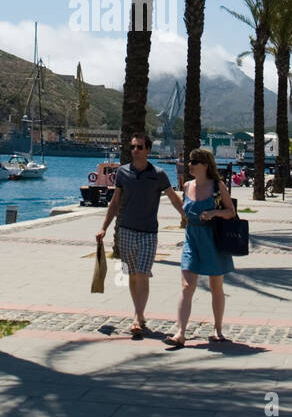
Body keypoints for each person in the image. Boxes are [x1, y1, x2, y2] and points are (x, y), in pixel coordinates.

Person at [97, 133, 185, 338]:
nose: (135, 150)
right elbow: (115, 202)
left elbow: (173, 198)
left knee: (143, 274)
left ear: (148, 150)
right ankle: (140, 314)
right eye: (133, 147)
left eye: (139, 147)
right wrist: (104, 227)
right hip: (126, 230)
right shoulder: (122, 173)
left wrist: (187, 217)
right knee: (132, 275)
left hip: (148, 233)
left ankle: (137, 317)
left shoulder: (158, 174)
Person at [164, 148, 237, 348]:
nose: (189, 165)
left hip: (213, 240)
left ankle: (218, 329)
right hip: (191, 239)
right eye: (189, 161)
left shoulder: (218, 186)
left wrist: (214, 212)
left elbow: (231, 212)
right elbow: (183, 209)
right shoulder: (187, 186)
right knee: (187, 287)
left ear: (204, 165)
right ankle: (180, 333)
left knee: (216, 287)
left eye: (193, 162)